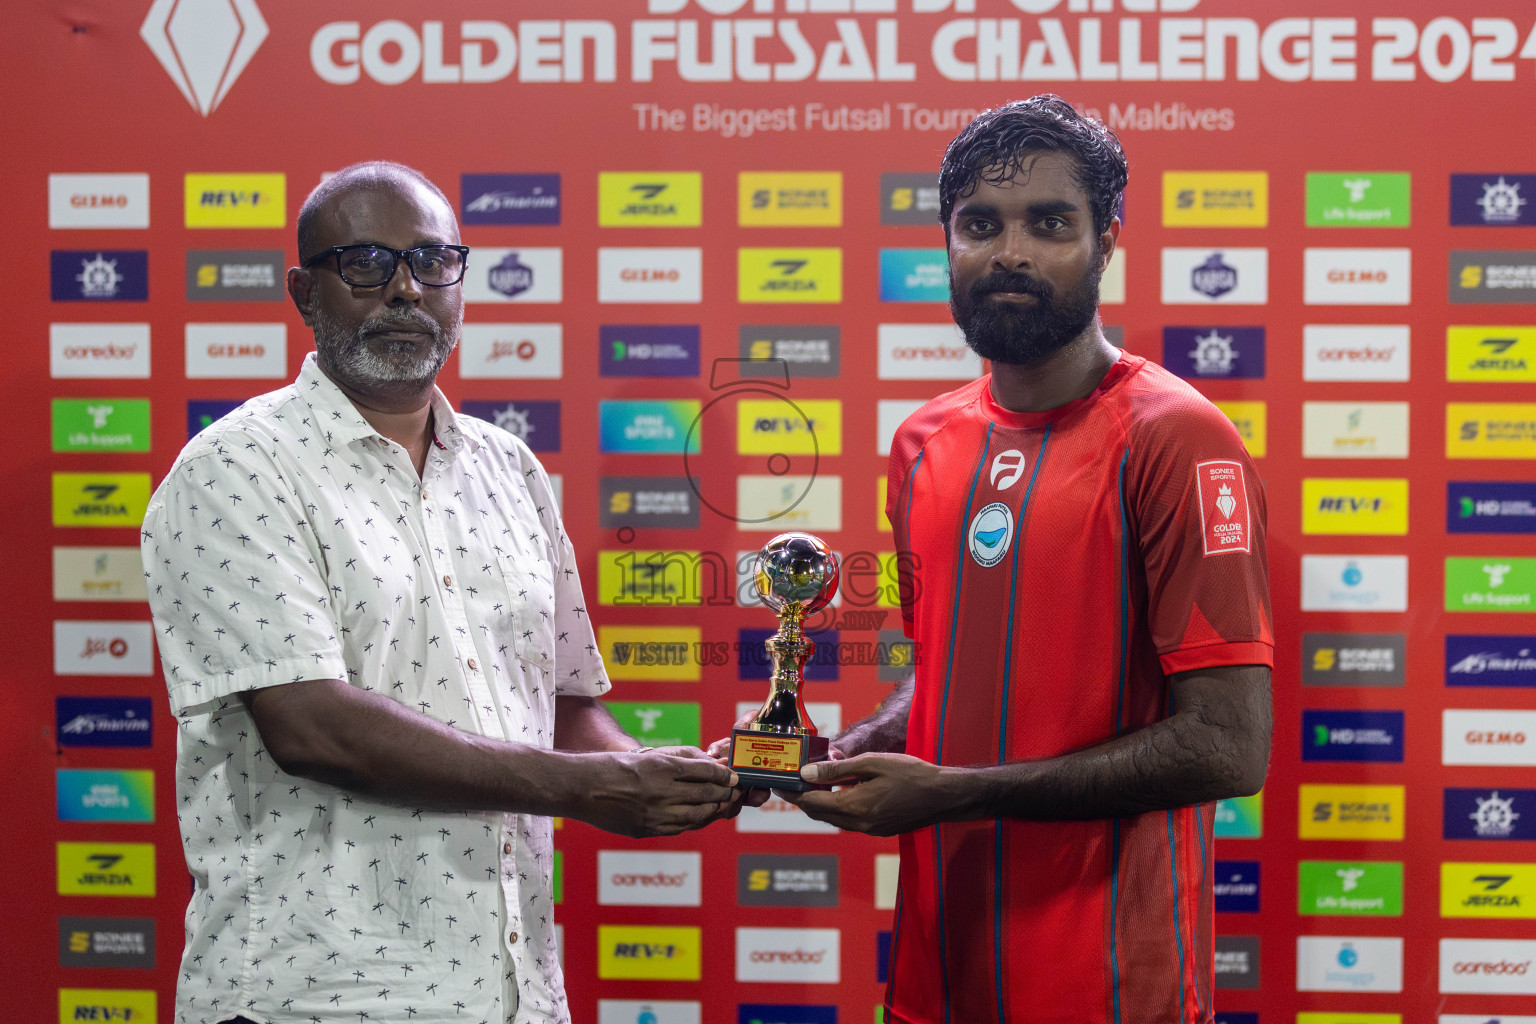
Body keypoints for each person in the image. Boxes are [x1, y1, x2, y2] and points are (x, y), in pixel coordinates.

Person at [140, 161, 741, 1024]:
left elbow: (564, 707)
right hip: (314, 994)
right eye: (365, 264)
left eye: (431, 262)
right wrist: (586, 788)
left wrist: (663, 776)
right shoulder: (234, 470)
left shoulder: (511, 469)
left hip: (512, 991)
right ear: (304, 293)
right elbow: (314, 728)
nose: (404, 290)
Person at [779, 96, 1274, 1023]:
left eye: (1049, 223)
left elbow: (1227, 748)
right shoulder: (924, 441)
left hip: (1115, 990)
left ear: (1107, 240)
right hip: (933, 976)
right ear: (948, 242)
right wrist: (848, 752)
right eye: (980, 225)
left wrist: (953, 796)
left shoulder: (1178, 439)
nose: (1010, 252)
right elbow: (938, 680)